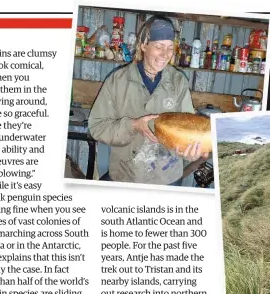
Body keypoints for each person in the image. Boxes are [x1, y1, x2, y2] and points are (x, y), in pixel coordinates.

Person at [88, 15, 206, 186]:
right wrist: (133, 126)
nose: (166, 55)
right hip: (125, 176)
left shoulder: (178, 82)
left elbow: (188, 131)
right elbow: (96, 127)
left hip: (166, 178)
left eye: (170, 47)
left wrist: (190, 150)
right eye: (159, 47)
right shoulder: (118, 80)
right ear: (143, 45)